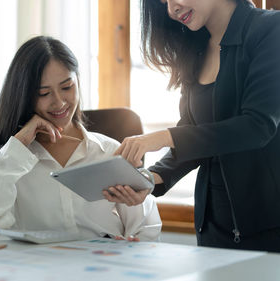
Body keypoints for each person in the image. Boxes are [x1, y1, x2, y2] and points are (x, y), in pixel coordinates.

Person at [103, 0, 280, 252]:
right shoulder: (195, 47)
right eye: (163, 2)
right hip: (212, 227)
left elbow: (258, 126)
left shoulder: (270, 30)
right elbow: (193, 130)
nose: (171, 9)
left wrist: (165, 137)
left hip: (267, 228)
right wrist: (150, 180)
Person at [0, 36, 161, 241]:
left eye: (67, 87)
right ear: (24, 97)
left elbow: (146, 225)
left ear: (78, 82)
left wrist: (135, 245)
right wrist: (18, 146)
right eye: (44, 93)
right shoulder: (10, 159)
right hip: (40, 269)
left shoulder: (109, 152)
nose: (59, 103)